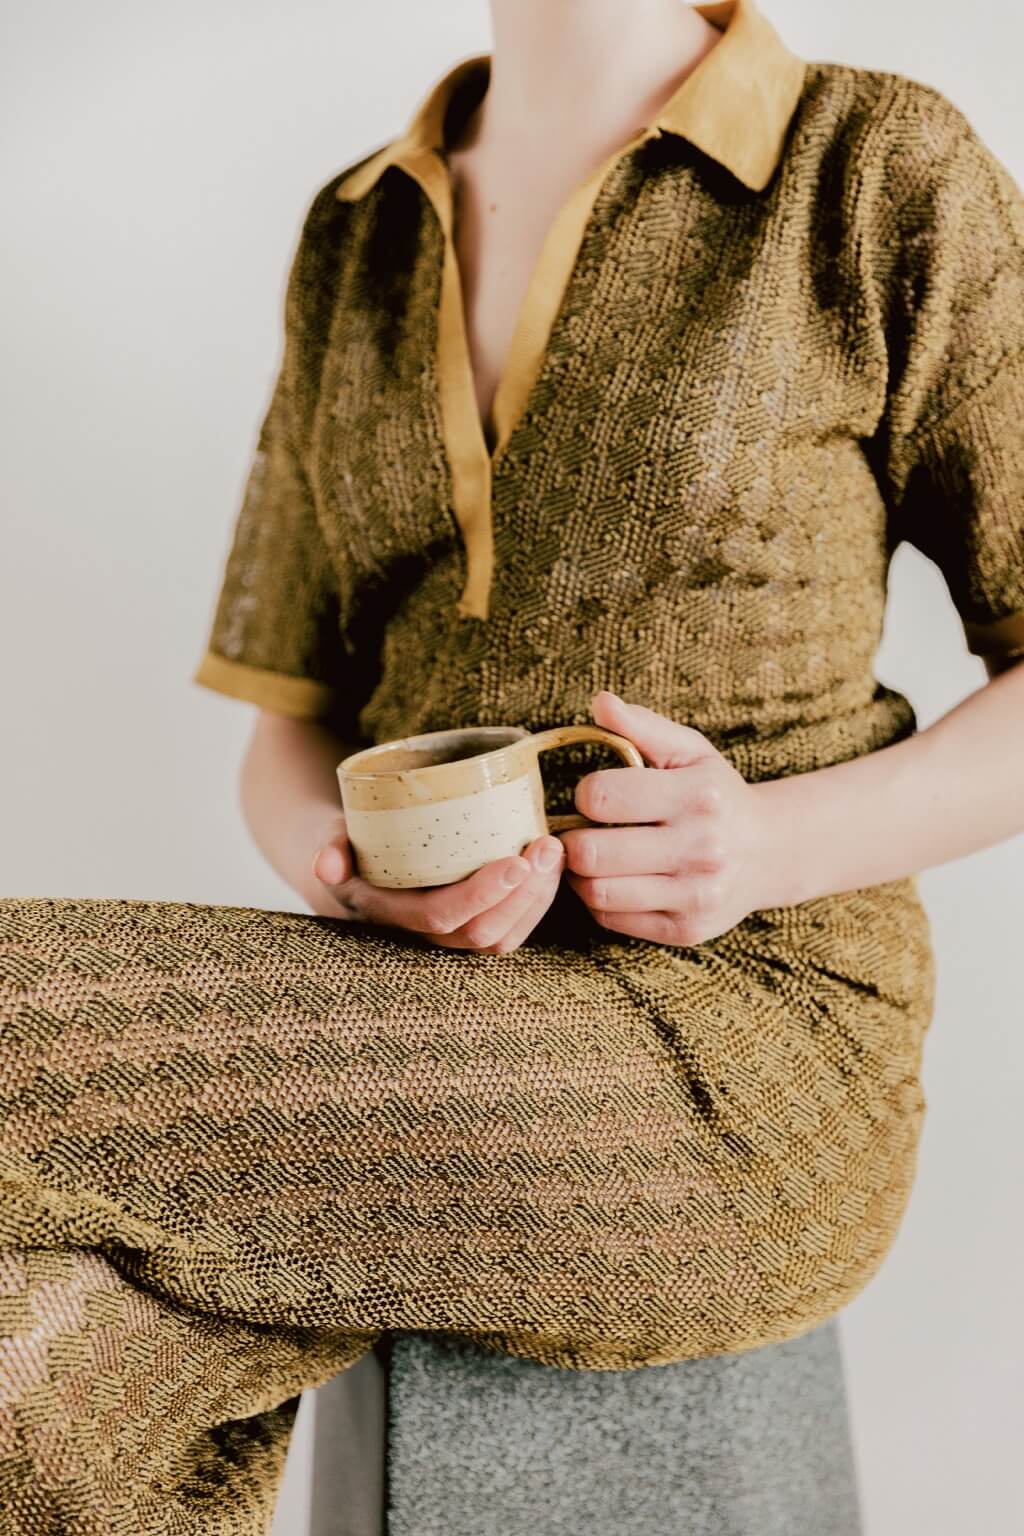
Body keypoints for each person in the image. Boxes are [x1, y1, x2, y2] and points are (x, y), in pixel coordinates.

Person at [2, 0, 1023, 1530]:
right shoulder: (359, 228)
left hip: (746, 1049)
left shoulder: (872, 164)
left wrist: (767, 845)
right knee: (30, 1352)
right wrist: (343, 871)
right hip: (420, 1000)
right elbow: (290, 721)